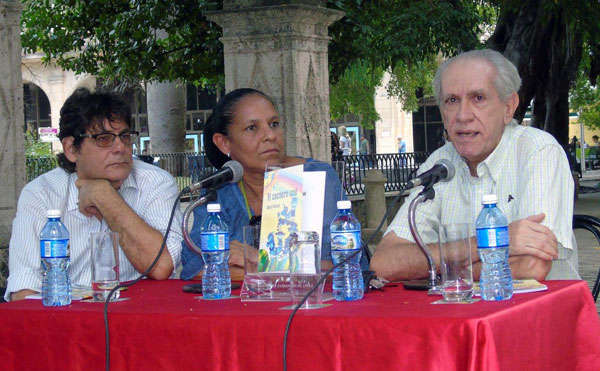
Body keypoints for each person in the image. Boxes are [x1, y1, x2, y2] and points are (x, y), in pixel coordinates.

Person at [370, 49, 578, 282]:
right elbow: (384, 263)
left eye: (478, 98)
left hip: (534, 315)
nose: (463, 115)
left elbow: (531, 266)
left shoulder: (538, 151)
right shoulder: (439, 164)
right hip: (457, 315)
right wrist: (489, 242)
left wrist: (441, 268)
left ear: (508, 107)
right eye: (452, 100)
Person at [5, 88, 183, 301]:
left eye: (125, 137)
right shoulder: (41, 194)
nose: (120, 148)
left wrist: (105, 196)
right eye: (104, 138)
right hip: (66, 325)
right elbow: (23, 292)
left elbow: (161, 266)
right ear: (71, 148)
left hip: (137, 321)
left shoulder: (156, 183)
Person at [180, 88, 363, 281]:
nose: (270, 135)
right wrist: (285, 270)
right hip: (245, 309)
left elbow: (345, 263)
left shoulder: (315, 176)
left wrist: (258, 261)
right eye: (252, 128)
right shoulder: (220, 191)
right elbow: (196, 269)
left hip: (312, 305)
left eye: (274, 124)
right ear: (224, 143)